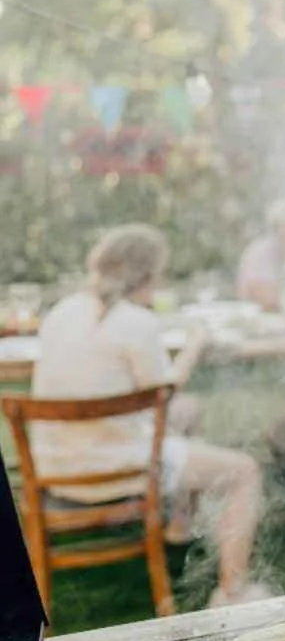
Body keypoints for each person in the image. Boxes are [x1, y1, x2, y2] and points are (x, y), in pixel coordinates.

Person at [32, 224, 269, 608]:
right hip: (120, 470)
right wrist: (195, 344)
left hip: (54, 469)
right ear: (147, 276)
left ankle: (178, 526)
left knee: (188, 413)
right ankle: (232, 592)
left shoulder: (60, 312)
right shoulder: (136, 323)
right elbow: (164, 391)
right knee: (244, 470)